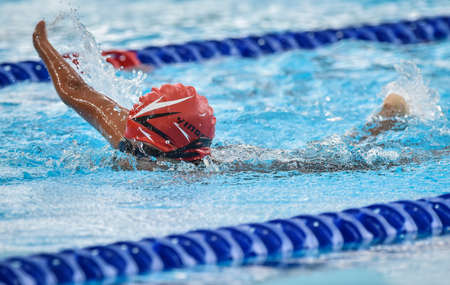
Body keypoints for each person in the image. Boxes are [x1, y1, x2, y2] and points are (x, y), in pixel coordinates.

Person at [32, 20, 410, 171]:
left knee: (323, 158)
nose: (133, 107)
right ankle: (381, 125)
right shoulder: (131, 135)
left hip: (237, 160)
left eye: (143, 107)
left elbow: (76, 92)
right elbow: (77, 91)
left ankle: (381, 128)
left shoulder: (217, 172)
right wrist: (43, 46)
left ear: (155, 128)